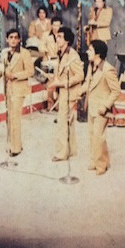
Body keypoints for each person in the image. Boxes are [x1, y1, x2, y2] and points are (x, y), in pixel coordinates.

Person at [79, 40, 121, 175]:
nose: (87, 52)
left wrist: (105, 106)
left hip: (101, 109)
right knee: (92, 136)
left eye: (90, 50)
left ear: (98, 54)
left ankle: (102, 165)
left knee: (99, 137)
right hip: (92, 106)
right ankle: (94, 161)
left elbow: (116, 91)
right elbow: (88, 82)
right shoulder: (91, 66)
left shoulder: (108, 70)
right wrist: (79, 91)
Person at [0, 29, 34, 157]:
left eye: (16, 37)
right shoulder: (4, 53)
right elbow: (2, 67)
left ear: (19, 40)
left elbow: (30, 71)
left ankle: (16, 148)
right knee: (9, 117)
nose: (13, 40)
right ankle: (13, 144)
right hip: (8, 89)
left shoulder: (24, 53)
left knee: (15, 118)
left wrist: (15, 75)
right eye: (10, 37)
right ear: (7, 39)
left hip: (19, 89)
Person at [48, 27, 84, 162]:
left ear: (67, 40)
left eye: (60, 37)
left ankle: (61, 153)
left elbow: (80, 75)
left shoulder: (73, 56)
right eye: (57, 36)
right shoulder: (61, 53)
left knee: (62, 124)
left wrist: (62, 83)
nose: (57, 39)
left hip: (70, 93)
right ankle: (71, 150)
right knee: (68, 124)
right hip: (63, 93)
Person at [39, 15, 63, 111]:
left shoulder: (62, 36)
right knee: (49, 83)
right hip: (48, 61)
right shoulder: (46, 35)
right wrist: (45, 50)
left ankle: (58, 104)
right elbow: (41, 46)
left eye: (58, 25)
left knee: (59, 82)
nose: (56, 27)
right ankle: (50, 103)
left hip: (58, 61)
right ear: (51, 25)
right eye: (54, 25)